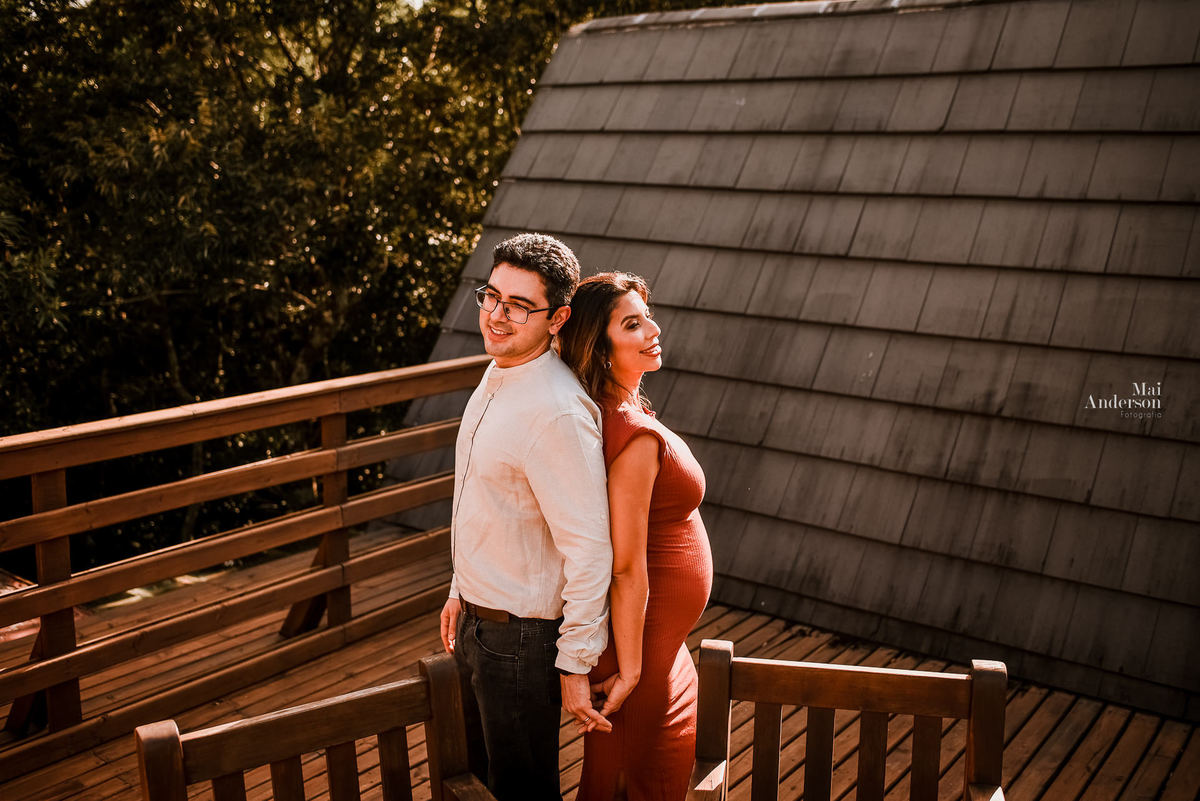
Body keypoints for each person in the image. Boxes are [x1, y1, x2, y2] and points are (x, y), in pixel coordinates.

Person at [439, 233, 614, 801]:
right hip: (476, 621)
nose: (496, 315)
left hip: (519, 642)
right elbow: (483, 501)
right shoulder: (499, 372)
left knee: (521, 793)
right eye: (492, 296)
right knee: (471, 785)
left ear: (558, 317)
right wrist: (461, 588)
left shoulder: (557, 412)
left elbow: (590, 550)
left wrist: (576, 664)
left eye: (519, 306)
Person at [558, 272, 714, 801]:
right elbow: (625, 567)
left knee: (653, 773)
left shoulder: (620, 410)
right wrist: (629, 670)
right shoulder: (630, 435)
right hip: (638, 650)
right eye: (631, 324)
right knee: (631, 780)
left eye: (647, 316)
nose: (653, 329)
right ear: (598, 348)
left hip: (661, 645)